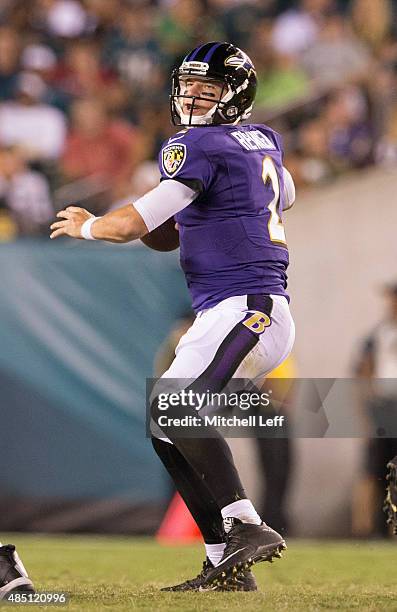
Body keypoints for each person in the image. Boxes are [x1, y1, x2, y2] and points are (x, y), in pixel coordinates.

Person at [50, 41, 296, 592]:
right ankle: (222, 561)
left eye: (208, 91)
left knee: (176, 405)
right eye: (188, 87)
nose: (192, 98)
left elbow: (132, 226)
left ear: (235, 97)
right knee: (165, 422)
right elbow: (278, 198)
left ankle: (249, 525)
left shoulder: (198, 145)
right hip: (233, 307)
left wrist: (90, 224)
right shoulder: (264, 143)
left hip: (247, 305)